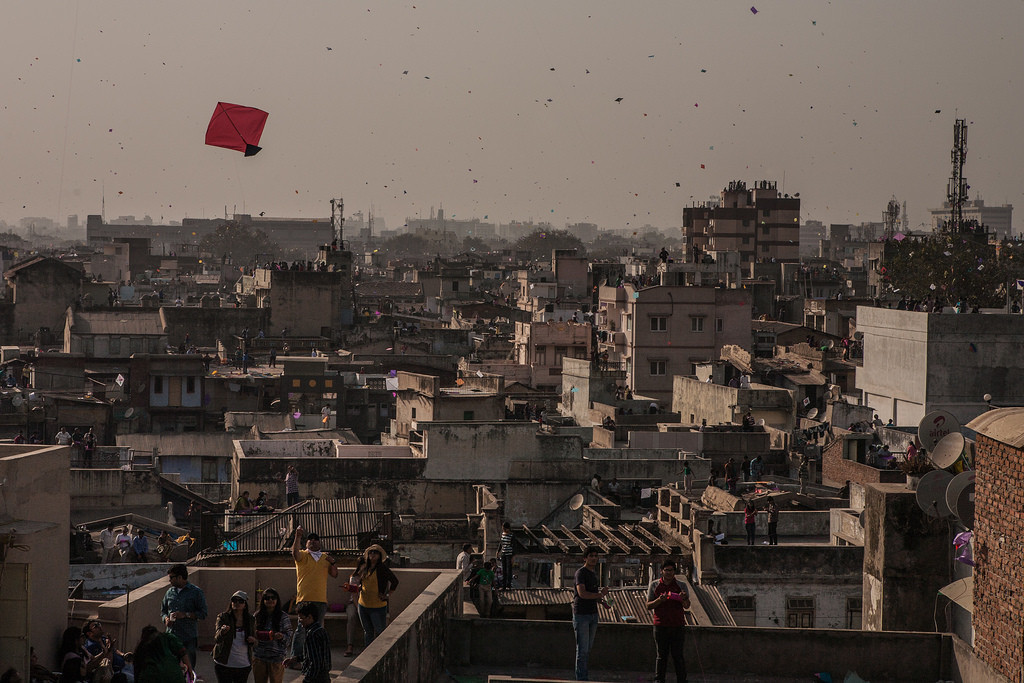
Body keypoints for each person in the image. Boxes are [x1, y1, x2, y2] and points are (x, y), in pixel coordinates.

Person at [289, 528, 338, 665]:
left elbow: (334, 574)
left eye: (316, 539)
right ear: (306, 543)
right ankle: (295, 659)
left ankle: (314, 658)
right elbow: (295, 553)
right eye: (310, 539)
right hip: (304, 599)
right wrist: (297, 536)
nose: (313, 541)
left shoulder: (324, 558)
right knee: (301, 630)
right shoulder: (303, 556)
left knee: (317, 630)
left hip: (321, 600)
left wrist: (333, 562)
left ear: (320, 543)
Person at [645, 559, 690, 683]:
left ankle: (682, 679)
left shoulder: (681, 585)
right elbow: (648, 605)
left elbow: (687, 605)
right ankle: (659, 679)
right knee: (661, 655)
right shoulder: (655, 585)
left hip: (677, 625)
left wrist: (683, 598)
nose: (669, 573)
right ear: (661, 571)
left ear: (674, 572)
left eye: (671, 570)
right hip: (660, 625)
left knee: (678, 656)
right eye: (666, 570)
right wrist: (660, 600)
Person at [572, 545, 610, 681]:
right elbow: (582, 594)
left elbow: (593, 595)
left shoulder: (593, 574)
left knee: (587, 649)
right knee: (582, 650)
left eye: (595, 556)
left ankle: (584, 676)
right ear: (585, 558)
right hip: (582, 615)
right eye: (591, 556)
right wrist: (600, 594)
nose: (594, 558)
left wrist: (603, 602)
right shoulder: (581, 573)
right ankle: (581, 678)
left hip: (593, 614)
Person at [160, 564, 208, 668]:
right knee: (171, 667)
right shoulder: (169, 592)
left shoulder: (196, 592)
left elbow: (203, 613)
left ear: (180, 577)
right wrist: (166, 619)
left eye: (172, 578)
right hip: (172, 636)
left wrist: (186, 615)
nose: (170, 581)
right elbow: (163, 611)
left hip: (188, 637)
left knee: (189, 667)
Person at [355, 544, 399, 646]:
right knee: (368, 632)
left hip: (377, 606)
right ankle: (368, 655)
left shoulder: (382, 569)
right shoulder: (365, 567)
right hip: (363, 605)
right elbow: (362, 583)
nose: (372, 555)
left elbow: (395, 581)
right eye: (371, 552)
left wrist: (387, 595)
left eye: (375, 553)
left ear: (379, 556)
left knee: (380, 632)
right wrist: (358, 588)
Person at [213, 591, 255, 683]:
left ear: (245, 604)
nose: (237, 603)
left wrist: (253, 641)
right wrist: (222, 632)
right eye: (234, 600)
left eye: (240, 601)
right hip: (224, 663)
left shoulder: (250, 619)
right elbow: (217, 639)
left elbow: (255, 641)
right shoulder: (223, 617)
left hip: (243, 664)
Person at [252, 588, 291, 683]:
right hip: (260, 657)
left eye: (273, 598)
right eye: (267, 598)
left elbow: (289, 636)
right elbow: (252, 633)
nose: (270, 600)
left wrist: (281, 636)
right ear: (263, 600)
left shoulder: (283, 616)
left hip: (276, 657)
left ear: (277, 600)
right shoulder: (257, 616)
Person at [284, 604, 329, 683]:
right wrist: (296, 659)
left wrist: (307, 679)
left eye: (301, 617)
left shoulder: (311, 635)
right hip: (324, 675)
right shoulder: (321, 630)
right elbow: (312, 653)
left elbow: (315, 662)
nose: (299, 620)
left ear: (309, 617)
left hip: (316, 678)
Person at [342, 558, 366, 657]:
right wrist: (358, 608)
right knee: (352, 617)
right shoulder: (354, 577)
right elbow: (354, 595)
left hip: (368, 602)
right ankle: (350, 645)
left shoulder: (371, 576)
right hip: (354, 603)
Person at [498, 522, 515, 589]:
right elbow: (501, 543)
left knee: (509, 570)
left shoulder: (512, 535)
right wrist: (498, 551)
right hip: (503, 553)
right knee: (504, 570)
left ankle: (509, 585)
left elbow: (514, 546)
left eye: (504, 528)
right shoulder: (502, 534)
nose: (503, 529)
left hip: (509, 554)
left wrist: (513, 557)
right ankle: (504, 585)